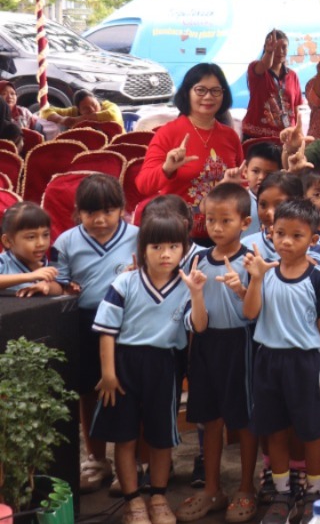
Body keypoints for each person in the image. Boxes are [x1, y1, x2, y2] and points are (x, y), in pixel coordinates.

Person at [91, 215, 210, 524]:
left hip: (165, 366)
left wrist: (197, 294)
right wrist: (108, 372)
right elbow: (107, 331)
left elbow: (198, 325)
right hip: (124, 365)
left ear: (184, 249)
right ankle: (133, 501)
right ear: (142, 249)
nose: (165, 254)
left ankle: (158, 496)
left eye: (174, 246)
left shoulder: (185, 285)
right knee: (125, 436)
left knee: (161, 437)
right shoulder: (124, 282)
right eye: (157, 246)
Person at [240, 199, 320, 518]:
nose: (286, 241)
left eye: (297, 235)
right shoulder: (263, 272)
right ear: (269, 232)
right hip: (268, 360)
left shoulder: (319, 277)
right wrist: (255, 279)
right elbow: (250, 313)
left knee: (310, 431)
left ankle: (314, 490)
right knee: (275, 430)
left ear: (313, 238)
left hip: (305, 362)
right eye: (280, 233)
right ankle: (281, 494)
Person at [174, 184, 259, 523]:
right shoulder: (195, 259)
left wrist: (243, 287)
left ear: (245, 222)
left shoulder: (252, 261)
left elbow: (254, 311)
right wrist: (196, 296)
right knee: (210, 421)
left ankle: (246, 488)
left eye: (226, 220)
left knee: (246, 421)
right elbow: (196, 321)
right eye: (211, 219)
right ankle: (212, 489)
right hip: (206, 345)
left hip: (242, 345)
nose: (217, 227)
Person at [52, 175, 134, 493]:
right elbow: (59, 282)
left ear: (122, 210)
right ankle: (97, 460)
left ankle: (132, 464)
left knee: (128, 389)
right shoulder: (66, 242)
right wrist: (58, 286)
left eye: (108, 211)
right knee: (89, 391)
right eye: (90, 213)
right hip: (84, 323)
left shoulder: (138, 237)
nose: (100, 220)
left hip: (129, 324)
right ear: (78, 212)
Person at [136, 63, 246, 243]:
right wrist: (167, 169)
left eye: (216, 91)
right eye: (201, 90)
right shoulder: (169, 133)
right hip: (177, 236)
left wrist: (233, 185)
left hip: (222, 235)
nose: (208, 97)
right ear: (187, 92)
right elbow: (143, 185)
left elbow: (243, 181)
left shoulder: (230, 136)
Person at [241, 30, 302, 140]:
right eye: (275, 47)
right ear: (266, 47)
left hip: (285, 139)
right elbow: (265, 64)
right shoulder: (256, 69)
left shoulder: (293, 76)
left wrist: (299, 133)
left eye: (284, 47)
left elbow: (296, 109)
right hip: (257, 138)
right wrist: (269, 52)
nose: (280, 51)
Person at [0, 202, 61, 295]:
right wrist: (30, 276)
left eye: (45, 235)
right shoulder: (3, 262)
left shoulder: (50, 264)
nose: (41, 243)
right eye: (31, 237)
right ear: (7, 241)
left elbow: (60, 288)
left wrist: (47, 286)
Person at [41, 90, 122, 130]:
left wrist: (80, 119)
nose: (93, 110)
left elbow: (112, 116)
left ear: (97, 100)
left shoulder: (109, 106)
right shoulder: (74, 111)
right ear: (79, 110)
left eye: (94, 105)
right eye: (86, 109)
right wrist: (61, 119)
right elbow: (45, 111)